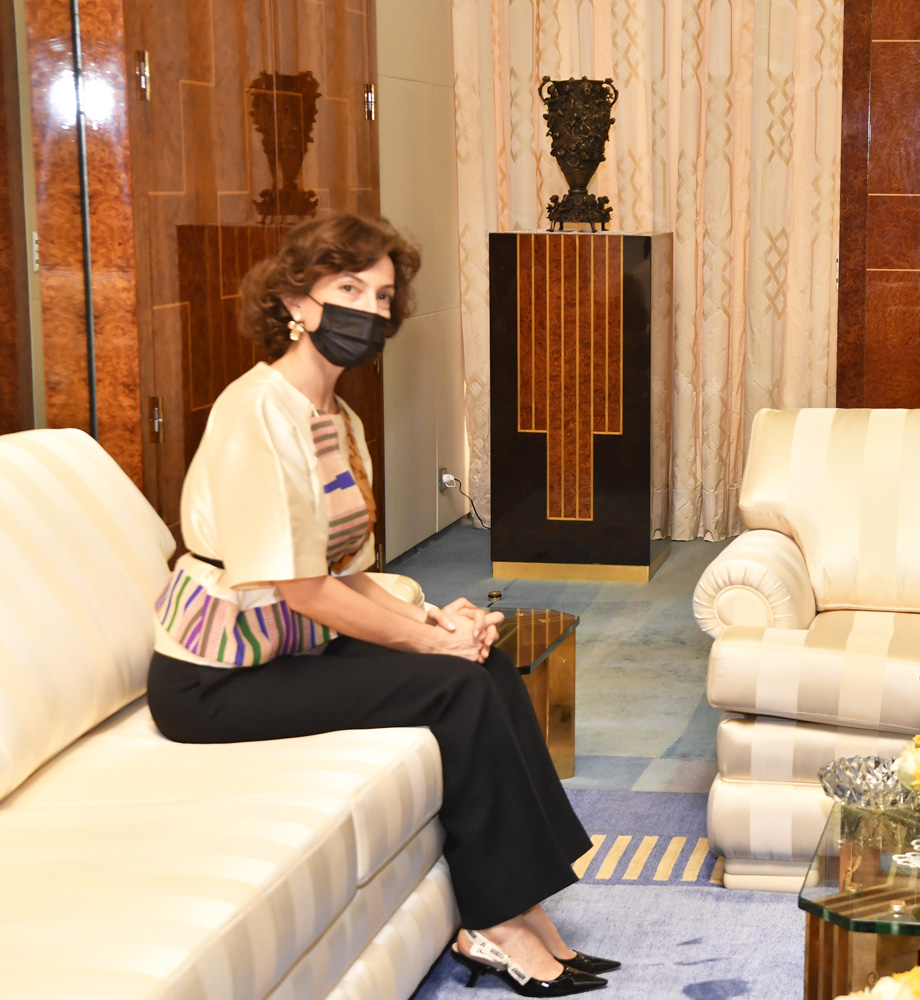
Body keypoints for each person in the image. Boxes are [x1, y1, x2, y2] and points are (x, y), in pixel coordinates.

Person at [146, 213, 613, 997]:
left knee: (484, 665)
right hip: (215, 682)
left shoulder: (339, 420)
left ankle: (525, 908)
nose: (371, 308)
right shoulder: (257, 411)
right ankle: (495, 924)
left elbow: (349, 573)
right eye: (348, 288)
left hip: (290, 650)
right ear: (298, 301)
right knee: (454, 684)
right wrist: (429, 647)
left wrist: (437, 622)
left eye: (384, 294)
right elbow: (301, 588)